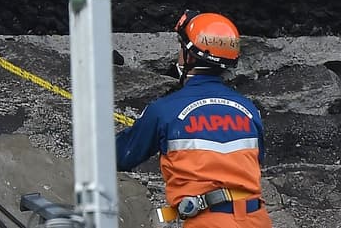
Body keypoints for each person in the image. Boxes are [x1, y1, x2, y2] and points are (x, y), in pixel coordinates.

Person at [116, 11, 272, 227]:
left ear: (189, 56)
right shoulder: (249, 109)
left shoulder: (165, 110)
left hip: (208, 222)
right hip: (256, 219)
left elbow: (121, 156)